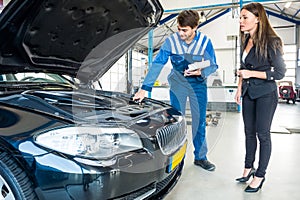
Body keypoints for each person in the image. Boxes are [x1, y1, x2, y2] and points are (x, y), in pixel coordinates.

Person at [133, 10, 218, 171]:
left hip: (198, 84)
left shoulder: (205, 42)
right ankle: (176, 157)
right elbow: (158, 63)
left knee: (199, 121)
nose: (180, 33)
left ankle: (201, 157)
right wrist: (145, 89)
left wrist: (201, 72)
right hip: (178, 82)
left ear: (195, 27)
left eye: (184, 30)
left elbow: (213, 64)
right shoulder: (171, 41)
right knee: (176, 122)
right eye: (179, 29)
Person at [234, 2, 286, 192]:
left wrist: (251, 75)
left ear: (258, 19)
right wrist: (239, 88)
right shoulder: (245, 40)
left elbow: (280, 73)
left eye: (244, 17)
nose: (240, 21)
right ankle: (248, 168)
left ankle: (260, 175)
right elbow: (243, 69)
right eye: (240, 17)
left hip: (266, 93)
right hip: (248, 92)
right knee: (249, 133)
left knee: (262, 134)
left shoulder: (272, 41)